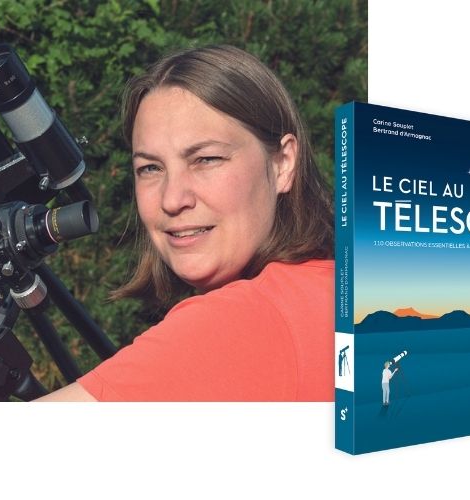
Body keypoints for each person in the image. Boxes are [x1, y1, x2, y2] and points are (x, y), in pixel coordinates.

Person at [38, 45, 334, 401]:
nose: (172, 199)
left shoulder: (235, 323)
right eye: (150, 168)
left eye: (206, 159)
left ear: (283, 163)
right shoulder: (341, 294)